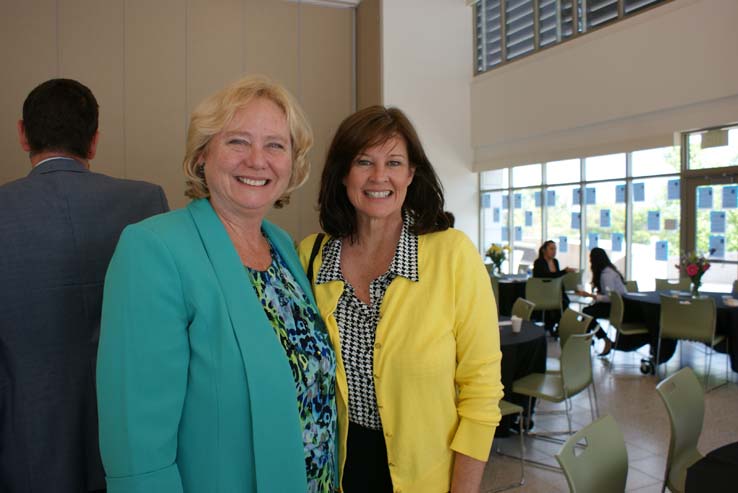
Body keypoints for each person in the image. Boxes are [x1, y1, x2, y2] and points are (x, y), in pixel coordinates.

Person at [96, 75, 337, 492]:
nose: (257, 160)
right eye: (238, 141)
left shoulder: (282, 246)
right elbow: (135, 441)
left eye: (275, 145)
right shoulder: (154, 249)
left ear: (292, 162)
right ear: (202, 154)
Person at [299, 106, 503, 493]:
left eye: (394, 162)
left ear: (411, 174)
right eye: (364, 161)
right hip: (332, 473)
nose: (379, 176)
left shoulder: (452, 255)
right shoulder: (311, 256)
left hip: (427, 478)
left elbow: (482, 393)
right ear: (343, 173)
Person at [0, 78, 169, 493]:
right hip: (132, 443)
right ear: (94, 141)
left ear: (22, 133)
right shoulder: (147, 203)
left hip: (24, 446)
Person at [576, 247, 622, 356]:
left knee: (587, 313)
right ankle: (588, 338)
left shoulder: (606, 275)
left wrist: (591, 295)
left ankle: (600, 339)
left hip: (615, 306)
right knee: (587, 312)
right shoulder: (609, 271)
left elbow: (610, 297)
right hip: (616, 304)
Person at [532, 240, 575, 330]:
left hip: (556, 291)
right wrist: (564, 271)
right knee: (560, 303)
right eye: (551, 249)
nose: (554, 251)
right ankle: (556, 326)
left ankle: (560, 326)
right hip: (543, 292)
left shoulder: (555, 261)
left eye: (555, 249)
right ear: (544, 250)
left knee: (564, 302)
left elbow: (557, 278)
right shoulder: (539, 262)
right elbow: (547, 277)